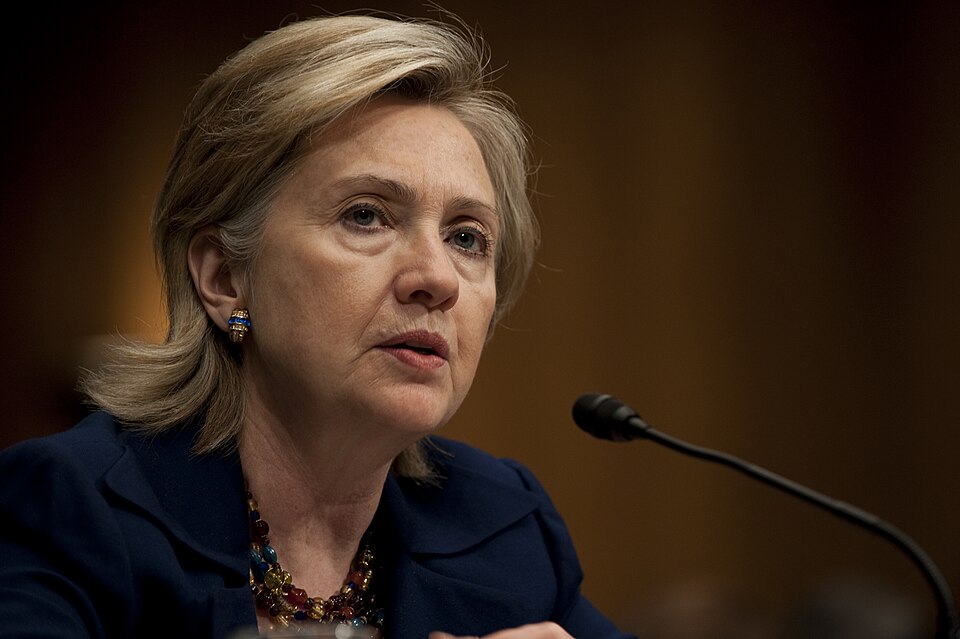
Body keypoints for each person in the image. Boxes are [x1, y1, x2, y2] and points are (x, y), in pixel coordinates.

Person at [0, 10, 635, 639]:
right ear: (225, 278)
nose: (437, 279)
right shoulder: (71, 509)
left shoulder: (503, 526)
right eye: (366, 216)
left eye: (467, 237)